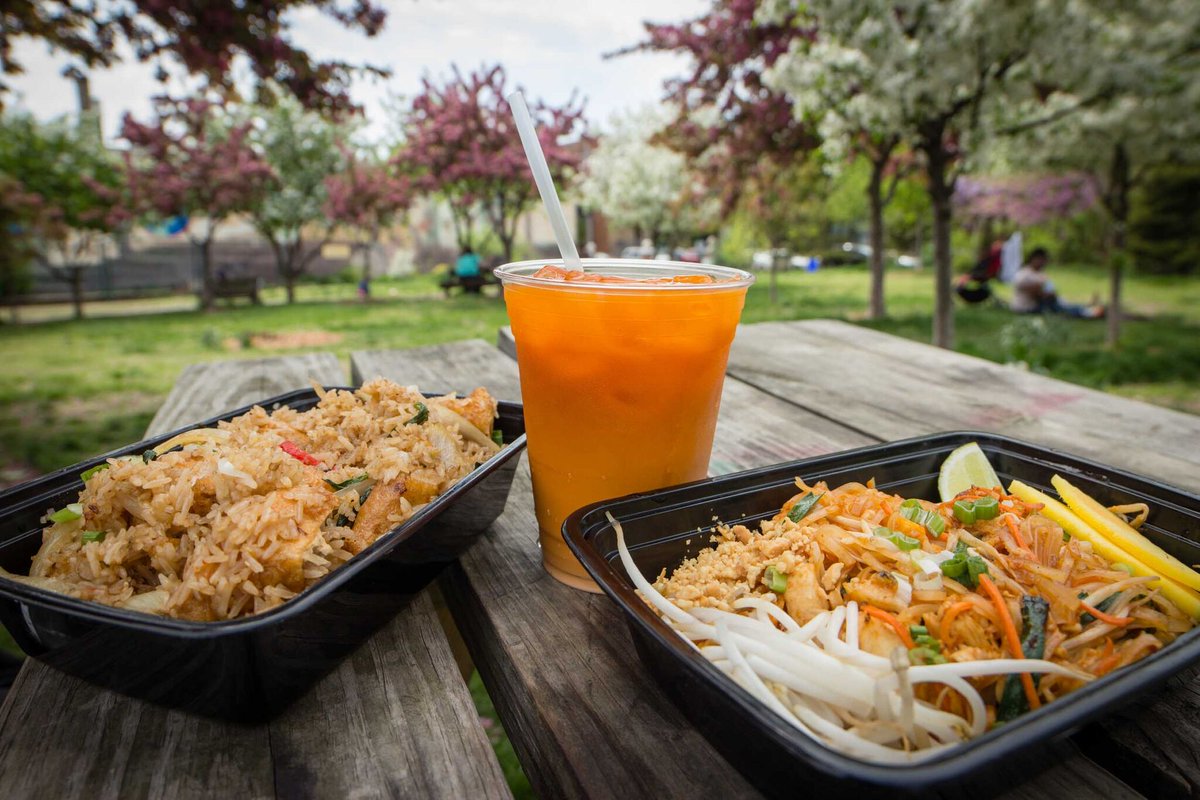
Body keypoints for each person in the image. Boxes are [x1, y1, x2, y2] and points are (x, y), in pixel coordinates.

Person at [1011, 248, 1103, 318]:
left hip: (1040, 304)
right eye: (1042, 260)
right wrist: (1049, 294)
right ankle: (1089, 312)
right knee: (1059, 308)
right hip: (1028, 308)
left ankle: (1087, 308)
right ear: (1034, 259)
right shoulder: (1024, 275)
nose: (1044, 263)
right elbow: (1039, 294)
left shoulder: (1040, 274)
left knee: (1061, 304)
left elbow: (1048, 290)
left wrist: (1050, 294)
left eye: (1045, 260)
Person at [955, 240, 1003, 304]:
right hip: (979, 276)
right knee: (961, 282)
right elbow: (978, 268)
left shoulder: (995, 258)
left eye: (996, 247)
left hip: (982, 277)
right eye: (994, 246)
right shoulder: (989, 257)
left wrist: (970, 276)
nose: (993, 248)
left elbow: (988, 272)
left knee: (962, 283)